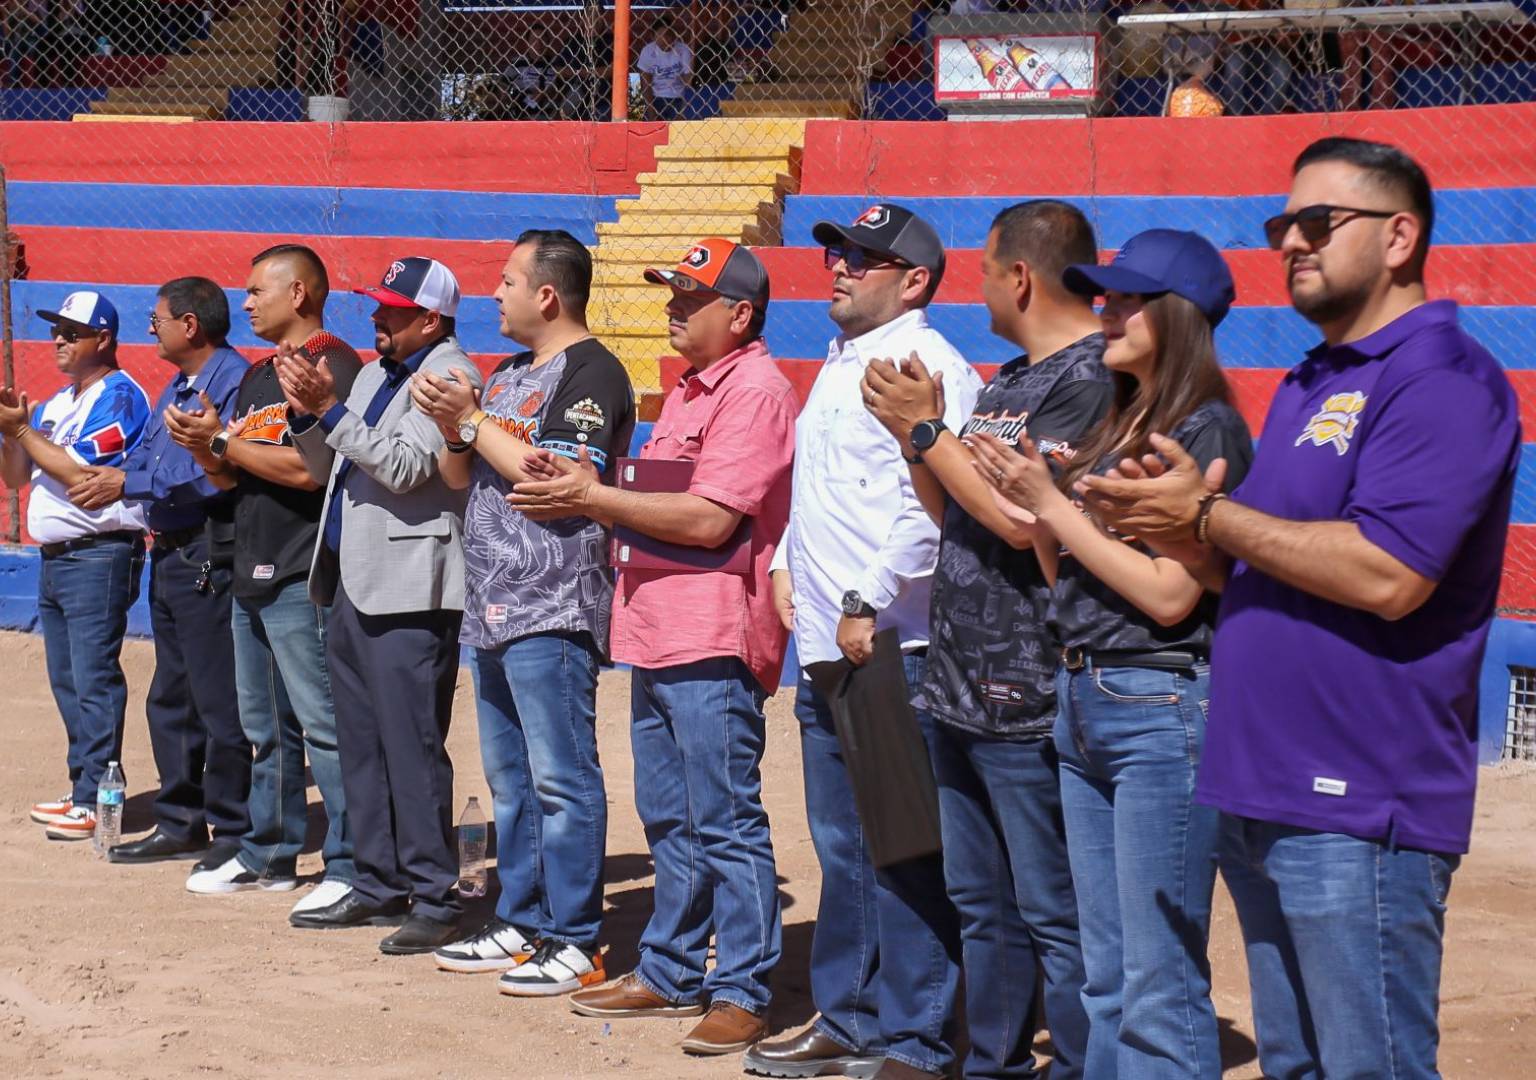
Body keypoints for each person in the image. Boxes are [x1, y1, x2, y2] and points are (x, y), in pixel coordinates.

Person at [1074, 138, 1519, 1080]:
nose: (1290, 243)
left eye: (1319, 223)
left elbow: (1392, 574)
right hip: (1262, 784)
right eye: (1283, 226)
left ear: (1401, 236)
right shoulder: (1316, 380)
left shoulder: (1440, 377)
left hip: (1357, 798)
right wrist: (1189, 535)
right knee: (1299, 1065)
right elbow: (1267, 568)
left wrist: (1206, 514)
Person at [971, 229, 1253, 1078]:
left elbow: (1173, 594)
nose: (1108, 312)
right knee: (1107, 976)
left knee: (1156, 976)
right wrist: (1036, 504)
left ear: (1179, 317)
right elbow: (1065, 579)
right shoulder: (1120, 417)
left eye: (1130, 300)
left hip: (1158, 703)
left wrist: (1051, 511)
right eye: (1107, 297)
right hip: (1087, 695)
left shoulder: (1206, 428)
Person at [509, 238, 795, 1058]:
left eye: (688, 296)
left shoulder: (756, 392)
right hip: (662, 629)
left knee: (725, 816)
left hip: (712, 634)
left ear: (739, 315)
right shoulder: (694, 390)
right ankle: (672, 965)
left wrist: (590, 495)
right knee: (671, 814)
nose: (672, 306)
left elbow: (710, 519)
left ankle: (742, 985)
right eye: (671, 292)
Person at [860, 201, 1104, 1079]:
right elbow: (956, 507)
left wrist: (929, 432)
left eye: (987, 269)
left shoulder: (1089, 379)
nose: (981, 286)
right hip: (959, 683)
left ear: (1022, 277)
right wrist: (918, 446)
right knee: (980, 900)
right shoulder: (1005, 380)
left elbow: (1016, 519)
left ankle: (1078, 1062)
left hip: (1029, 685)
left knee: (1050, 905)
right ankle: (994, 1063)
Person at [749, 205, 980, 1080]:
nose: (841, 268)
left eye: (865, 258)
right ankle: (846, 1020)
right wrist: (782, 558)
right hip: (832, 638)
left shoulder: (930, 368)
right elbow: (831, 494)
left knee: (901, 844)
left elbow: (935, 510)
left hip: (893, 643)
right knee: (844, 846)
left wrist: (865, 597)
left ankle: (914, 1039)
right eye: (840, 253)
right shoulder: (845, 364)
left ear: (915, 280)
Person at [410, 230, 634, 995]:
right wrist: (454, 427)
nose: (495, 294)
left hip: (554, 601)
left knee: (561, 776)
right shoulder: (505, 373)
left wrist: (475, 424)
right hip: (493, 605)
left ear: (547, 294)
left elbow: (553, 474)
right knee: (509, 778)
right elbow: (455, 476)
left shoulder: (593, 370)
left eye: (508, 281)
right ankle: (525, 918)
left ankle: (574, 936)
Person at [280, 256, 483, 955]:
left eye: (392, 310)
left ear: (430, 319)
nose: (377, 317)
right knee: (363, 746)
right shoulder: (372, 373)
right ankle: (377, 882)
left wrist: (330, 410)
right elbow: (328, 468)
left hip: (408, 589)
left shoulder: (452, 376)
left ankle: (433, 894)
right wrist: (309, 418)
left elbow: (400, 468)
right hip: (351, 578)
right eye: (377, 305)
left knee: (412, 746)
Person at [162, 246, 362, 918]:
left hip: (302, 564)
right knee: (264, 725)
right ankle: (268, 853)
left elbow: (311, 471)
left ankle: (350, 862)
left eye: (256, 291)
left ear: (298, 293)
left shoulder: (332, 364)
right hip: (250, 559)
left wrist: (221, 445)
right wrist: (203, 445)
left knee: (322, 722)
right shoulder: (256, 378)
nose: (244, 302)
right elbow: (233, 472)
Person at [64, 278, 252, 867]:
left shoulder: (233, 381)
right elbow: (146, 457)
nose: (152, 329)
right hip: (170, 552)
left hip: (207, 550)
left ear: (189, 325)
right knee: (171, 695)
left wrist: (132, 482)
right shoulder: (178, 384)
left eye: (158, 320)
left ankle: (233, 828)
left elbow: (215, 472)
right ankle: (180, 820)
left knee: (217, 699)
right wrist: (128, 479)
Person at [2, 292, 150, 842]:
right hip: (57, 556)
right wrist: (12, 430)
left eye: (71, 331)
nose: (58, 340)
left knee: (93, 679)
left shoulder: (122, 396)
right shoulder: (54, 405)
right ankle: (81, 787)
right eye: (55, 330)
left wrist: (23, 434)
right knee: (67, 680)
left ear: (104, 339)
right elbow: (19, 476)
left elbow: (81, 473)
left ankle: (98, 798)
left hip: (99, 555)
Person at [637, 14, 692, 121]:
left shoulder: (683, 50)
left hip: (678, 97)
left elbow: (688, 84)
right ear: (653, 37)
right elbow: (645, 85)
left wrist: (683, 110)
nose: (667, 39)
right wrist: (652, 114)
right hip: (655, 96)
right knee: (633, 86)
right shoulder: (648, 51)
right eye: (661, 36)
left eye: (669, 35)